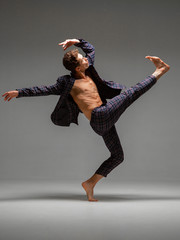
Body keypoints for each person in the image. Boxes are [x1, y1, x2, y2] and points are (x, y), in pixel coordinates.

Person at [2, 38, 170, 201]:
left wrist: (76, 41)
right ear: (76, 67)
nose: (86, 59)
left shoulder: (88, 69)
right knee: (129, 93)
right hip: (99, 117)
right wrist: (18, 92)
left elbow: (91, 49)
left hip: (103, 119)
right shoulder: (67, 83)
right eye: (82, 59)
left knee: (118, 156)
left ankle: (89, 184)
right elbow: (42, 89)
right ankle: (159, 71)